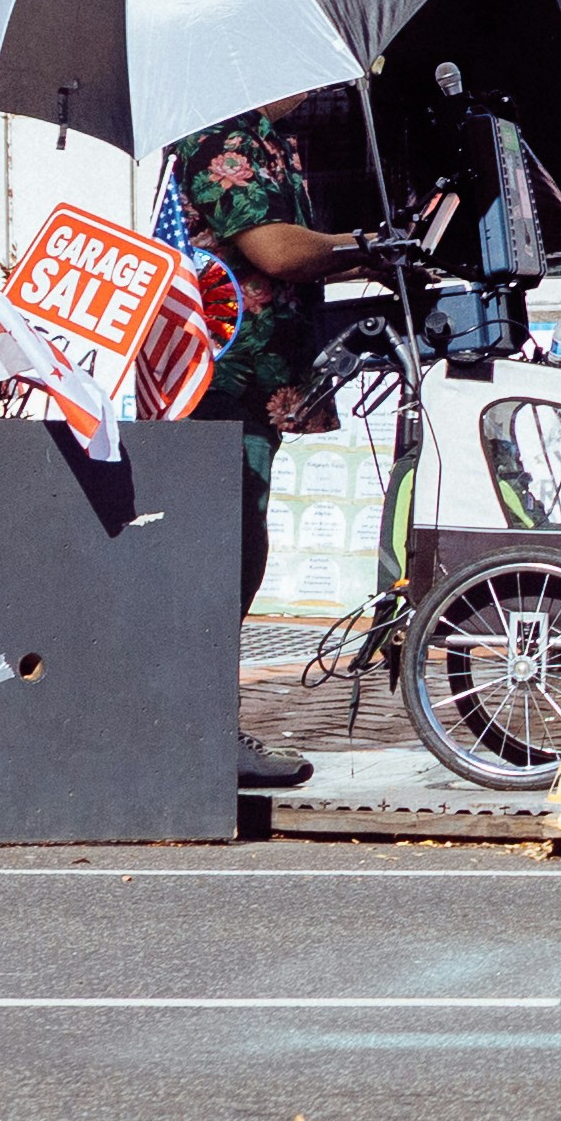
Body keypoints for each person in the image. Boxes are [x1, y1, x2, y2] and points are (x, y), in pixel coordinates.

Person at [158, 86, 365, 794]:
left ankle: (206, 729)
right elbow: (274, 250)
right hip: (212, 385)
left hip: (251, 388)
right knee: (224, 553)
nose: (313, 84)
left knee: (238, 552)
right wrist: (366, 246)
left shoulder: (270, 143)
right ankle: (198, 735)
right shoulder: (222, 139)